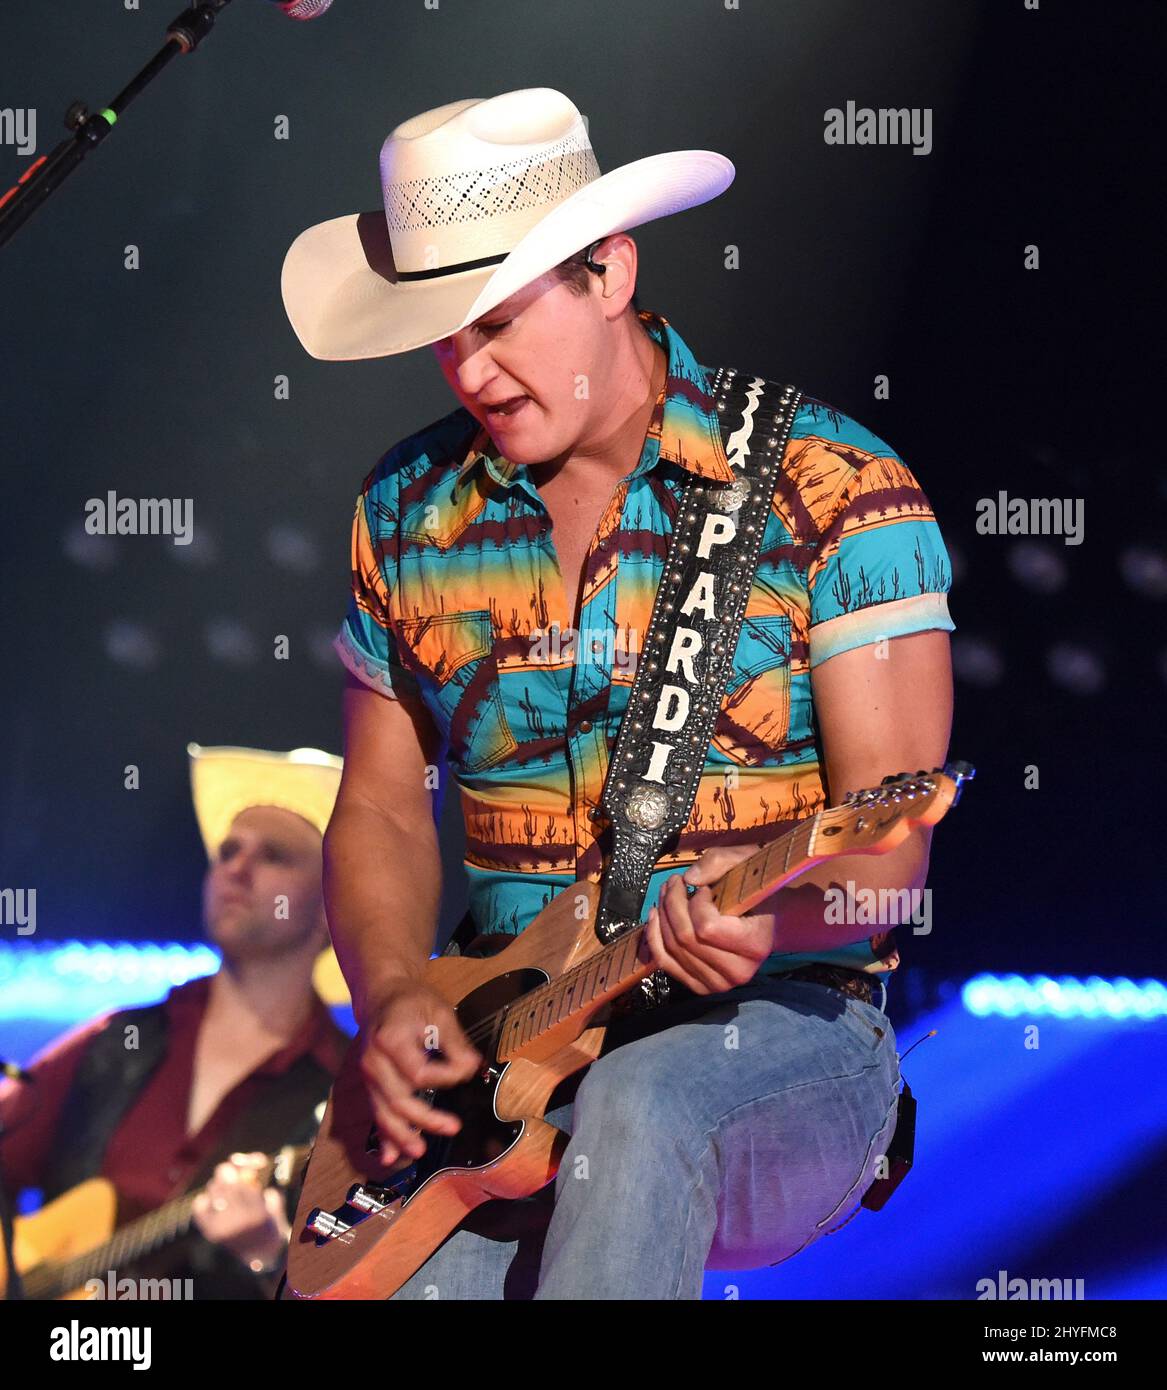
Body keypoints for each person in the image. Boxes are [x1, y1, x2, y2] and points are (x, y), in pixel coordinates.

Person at [280, 87, 954, 1299]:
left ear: (609, 271)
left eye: (496, 320)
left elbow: (884, 867)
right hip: (503, 1049)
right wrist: (389, 999)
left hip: (789, 1025)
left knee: (639, 1111)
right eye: (443, 333)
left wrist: (771, 925)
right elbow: (379, 809)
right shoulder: (403, 512)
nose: (469, 368)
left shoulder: (833, 487)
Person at [0, 744, 351, 1299]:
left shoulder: (349, 1095)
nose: (235, 867)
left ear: (335, 907)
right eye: (228, 850)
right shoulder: (115, 1042)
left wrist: (267, 1255)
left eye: (274, 855)